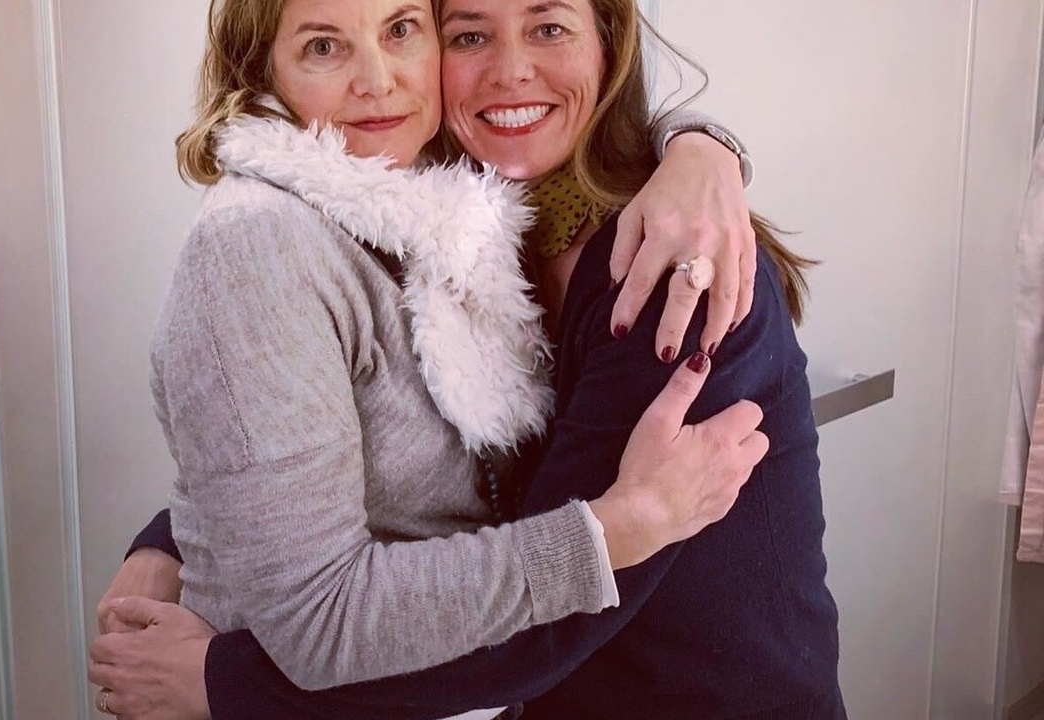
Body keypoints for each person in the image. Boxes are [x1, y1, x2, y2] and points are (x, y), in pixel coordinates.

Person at [87, 0, 833, 717]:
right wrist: (180, 535)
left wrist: (224, 683)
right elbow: (349, 446)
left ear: (609, 45)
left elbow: (542, 627)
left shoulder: (671, 269)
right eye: (471, 35)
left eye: (549, 27)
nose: (510, 71)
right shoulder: (460, 226)